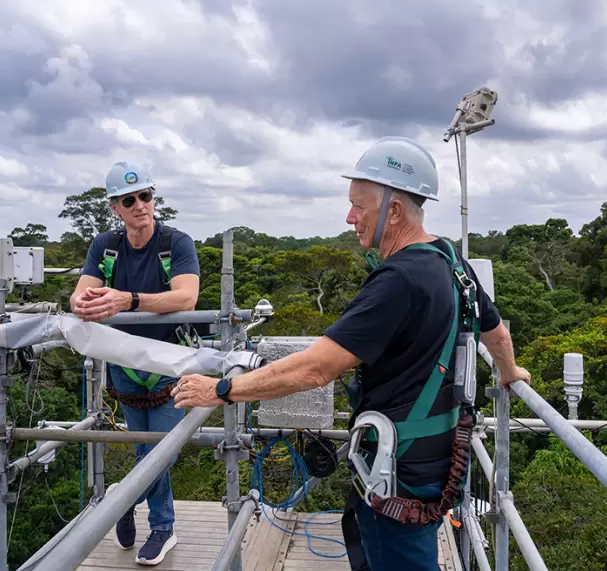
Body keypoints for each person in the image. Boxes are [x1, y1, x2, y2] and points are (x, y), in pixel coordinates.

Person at [172, 137, 531, 571]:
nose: (349, 217)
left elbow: (315, 368)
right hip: (432, 456)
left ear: (394, 211)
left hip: (400, 470)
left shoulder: (397, 281)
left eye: (359, 206)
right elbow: (495, 333)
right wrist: (509, 373)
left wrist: (224, 389)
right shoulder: (450, 261)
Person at [70, 160, 200, 567]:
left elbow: (186, 299)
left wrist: (129, 300)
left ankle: (124, 505)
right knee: (143, 451)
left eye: (146, 195)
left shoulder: (176, 243)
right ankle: (162, 524)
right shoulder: (105, 247)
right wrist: (81, 302)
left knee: (161, 452)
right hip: (124, 364)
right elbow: (81, 295)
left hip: (166, 362)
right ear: (116, 207)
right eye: (130, 200)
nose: (141, 205)